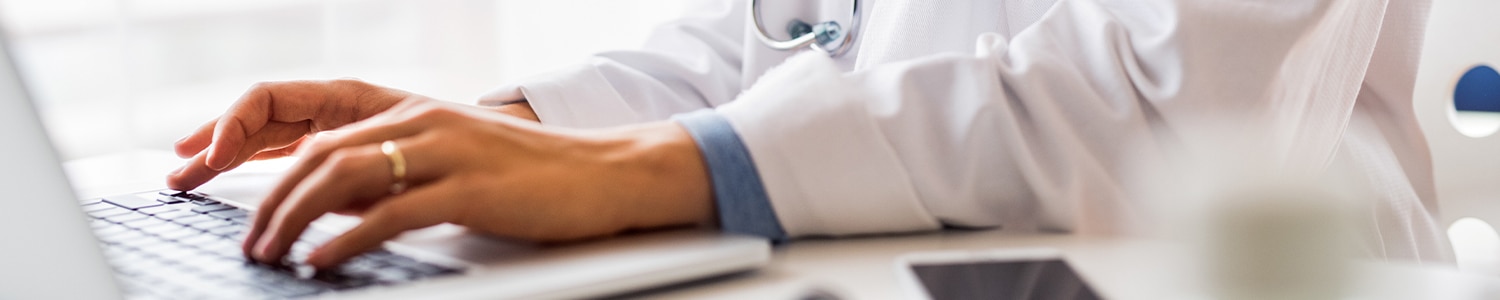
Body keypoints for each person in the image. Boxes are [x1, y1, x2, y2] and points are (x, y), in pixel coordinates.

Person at [166, 0, 1454, 270]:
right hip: (900, 251)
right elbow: (791, 34)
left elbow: (1165, 111)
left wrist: (654, 171)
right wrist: (503, 128)